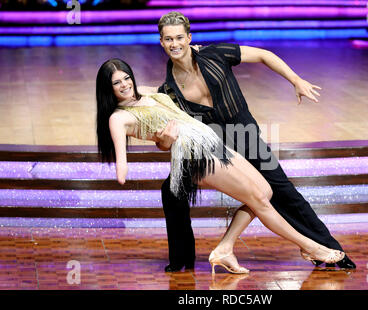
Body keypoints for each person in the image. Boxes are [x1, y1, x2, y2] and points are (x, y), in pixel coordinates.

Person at [95, 58, 346, 274]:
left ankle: (225, 249)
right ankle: (311, 247)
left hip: (213, 143)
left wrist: (195, 54)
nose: (125, 85)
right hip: (195, 157)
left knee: (266, 191)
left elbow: (171, 89)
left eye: (126, 78)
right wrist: (145, 154)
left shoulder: (147, 93)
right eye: (117, 83)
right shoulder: (119, 118)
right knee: (259, 200)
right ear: (108, 89)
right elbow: (123, 162)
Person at [155, 12, 356, 272]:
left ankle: (329, 251)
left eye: (179, 37)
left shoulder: (215, 54)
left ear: (189, 37)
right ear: (161, 42)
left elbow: (263, 55)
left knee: (285, 193)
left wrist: (295, 79)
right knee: (171, 189)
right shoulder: (168, 91)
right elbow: (167, 137)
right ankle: (182, 259)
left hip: (245, 134)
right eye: (168, 39)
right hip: (216, 148)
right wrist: (164, 142)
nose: (175, 44)